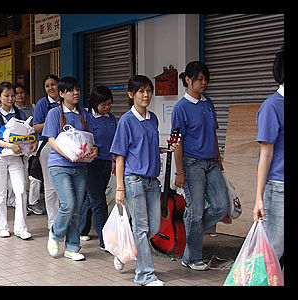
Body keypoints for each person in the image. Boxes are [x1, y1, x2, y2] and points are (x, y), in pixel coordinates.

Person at [110, 75, 177, 286]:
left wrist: (165, 149)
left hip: (152, 181)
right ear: (131, 95)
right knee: (141, 228)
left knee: (154, 227)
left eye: (149, 90)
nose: (146, 95)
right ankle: (145, 274)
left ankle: (123, 252)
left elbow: (145, 148)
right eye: (141, 91)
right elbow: (120, 156)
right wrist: (119, 188)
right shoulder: (126, 121)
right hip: (134, 181)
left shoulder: (153, 119)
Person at [171, 61, 229, 271]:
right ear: (188, 80)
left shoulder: (209, 103)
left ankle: (185, 233)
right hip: (192, 164)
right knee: (195, 213)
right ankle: (192, 257)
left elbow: (213, 134)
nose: (204, 83)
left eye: (206, 79)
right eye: (199, 79)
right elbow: (176, 141)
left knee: (223, 206)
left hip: (212, 164)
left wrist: (220, 163)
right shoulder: (180, 108)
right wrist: (180, 172)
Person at [42, 77, 98, 261]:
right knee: (68, 204)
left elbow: (90, 138)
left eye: (78, 89)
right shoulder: (54, 114)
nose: (76, 93)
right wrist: (67, 154)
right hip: (59, 165)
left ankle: (72, 247)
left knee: (77, 209)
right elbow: (51, 140)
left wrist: (93, 150)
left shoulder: (84, 114)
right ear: (61, 93)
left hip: (81, 166)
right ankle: (56, 235)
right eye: (71, 90)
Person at [0, 82, 38, 240]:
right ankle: (2, 226)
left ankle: (20, 227)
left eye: (12, 95)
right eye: (6, 95)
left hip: (16, 157)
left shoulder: (20, 114)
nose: (10, 98)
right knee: (0, 193)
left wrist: (33, 142)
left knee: (21, 189)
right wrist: (10, 145)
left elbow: (29, 133)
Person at [253, 46, 284, 267]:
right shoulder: (271, 107)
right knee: (273, 249)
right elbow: (265, 154)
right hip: (278, 188)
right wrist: (258, 198)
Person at [79, 86, 117, 250]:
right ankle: (105, 241)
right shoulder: (86, 117)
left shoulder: (111, 118)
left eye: (109, 104)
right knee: (100, 201)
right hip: (91, 164)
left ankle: (82, 229)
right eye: (103, 105)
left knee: (93, 198)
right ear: (95, 103)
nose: (107, 108)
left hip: (107, 162)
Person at [32, 74, 61, 229]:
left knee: (64, 186)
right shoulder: (42, 104)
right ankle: (53, 222)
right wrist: (53, 121)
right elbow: (35, 127)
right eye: (47, 85)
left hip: (66, 146)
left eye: (53, 84)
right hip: (48, 146)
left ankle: (63, 219)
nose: (51, 88)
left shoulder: (65, 101)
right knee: (50, 186)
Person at [13, 83, 44, 216]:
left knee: (34, 175)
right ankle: (21, 203)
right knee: (22, 177)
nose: (20, 95)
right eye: (17, 93)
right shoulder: (13, 111)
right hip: (18, 147)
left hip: (34, 145)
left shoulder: (33, 107)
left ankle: (32, 202)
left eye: (22, 92)